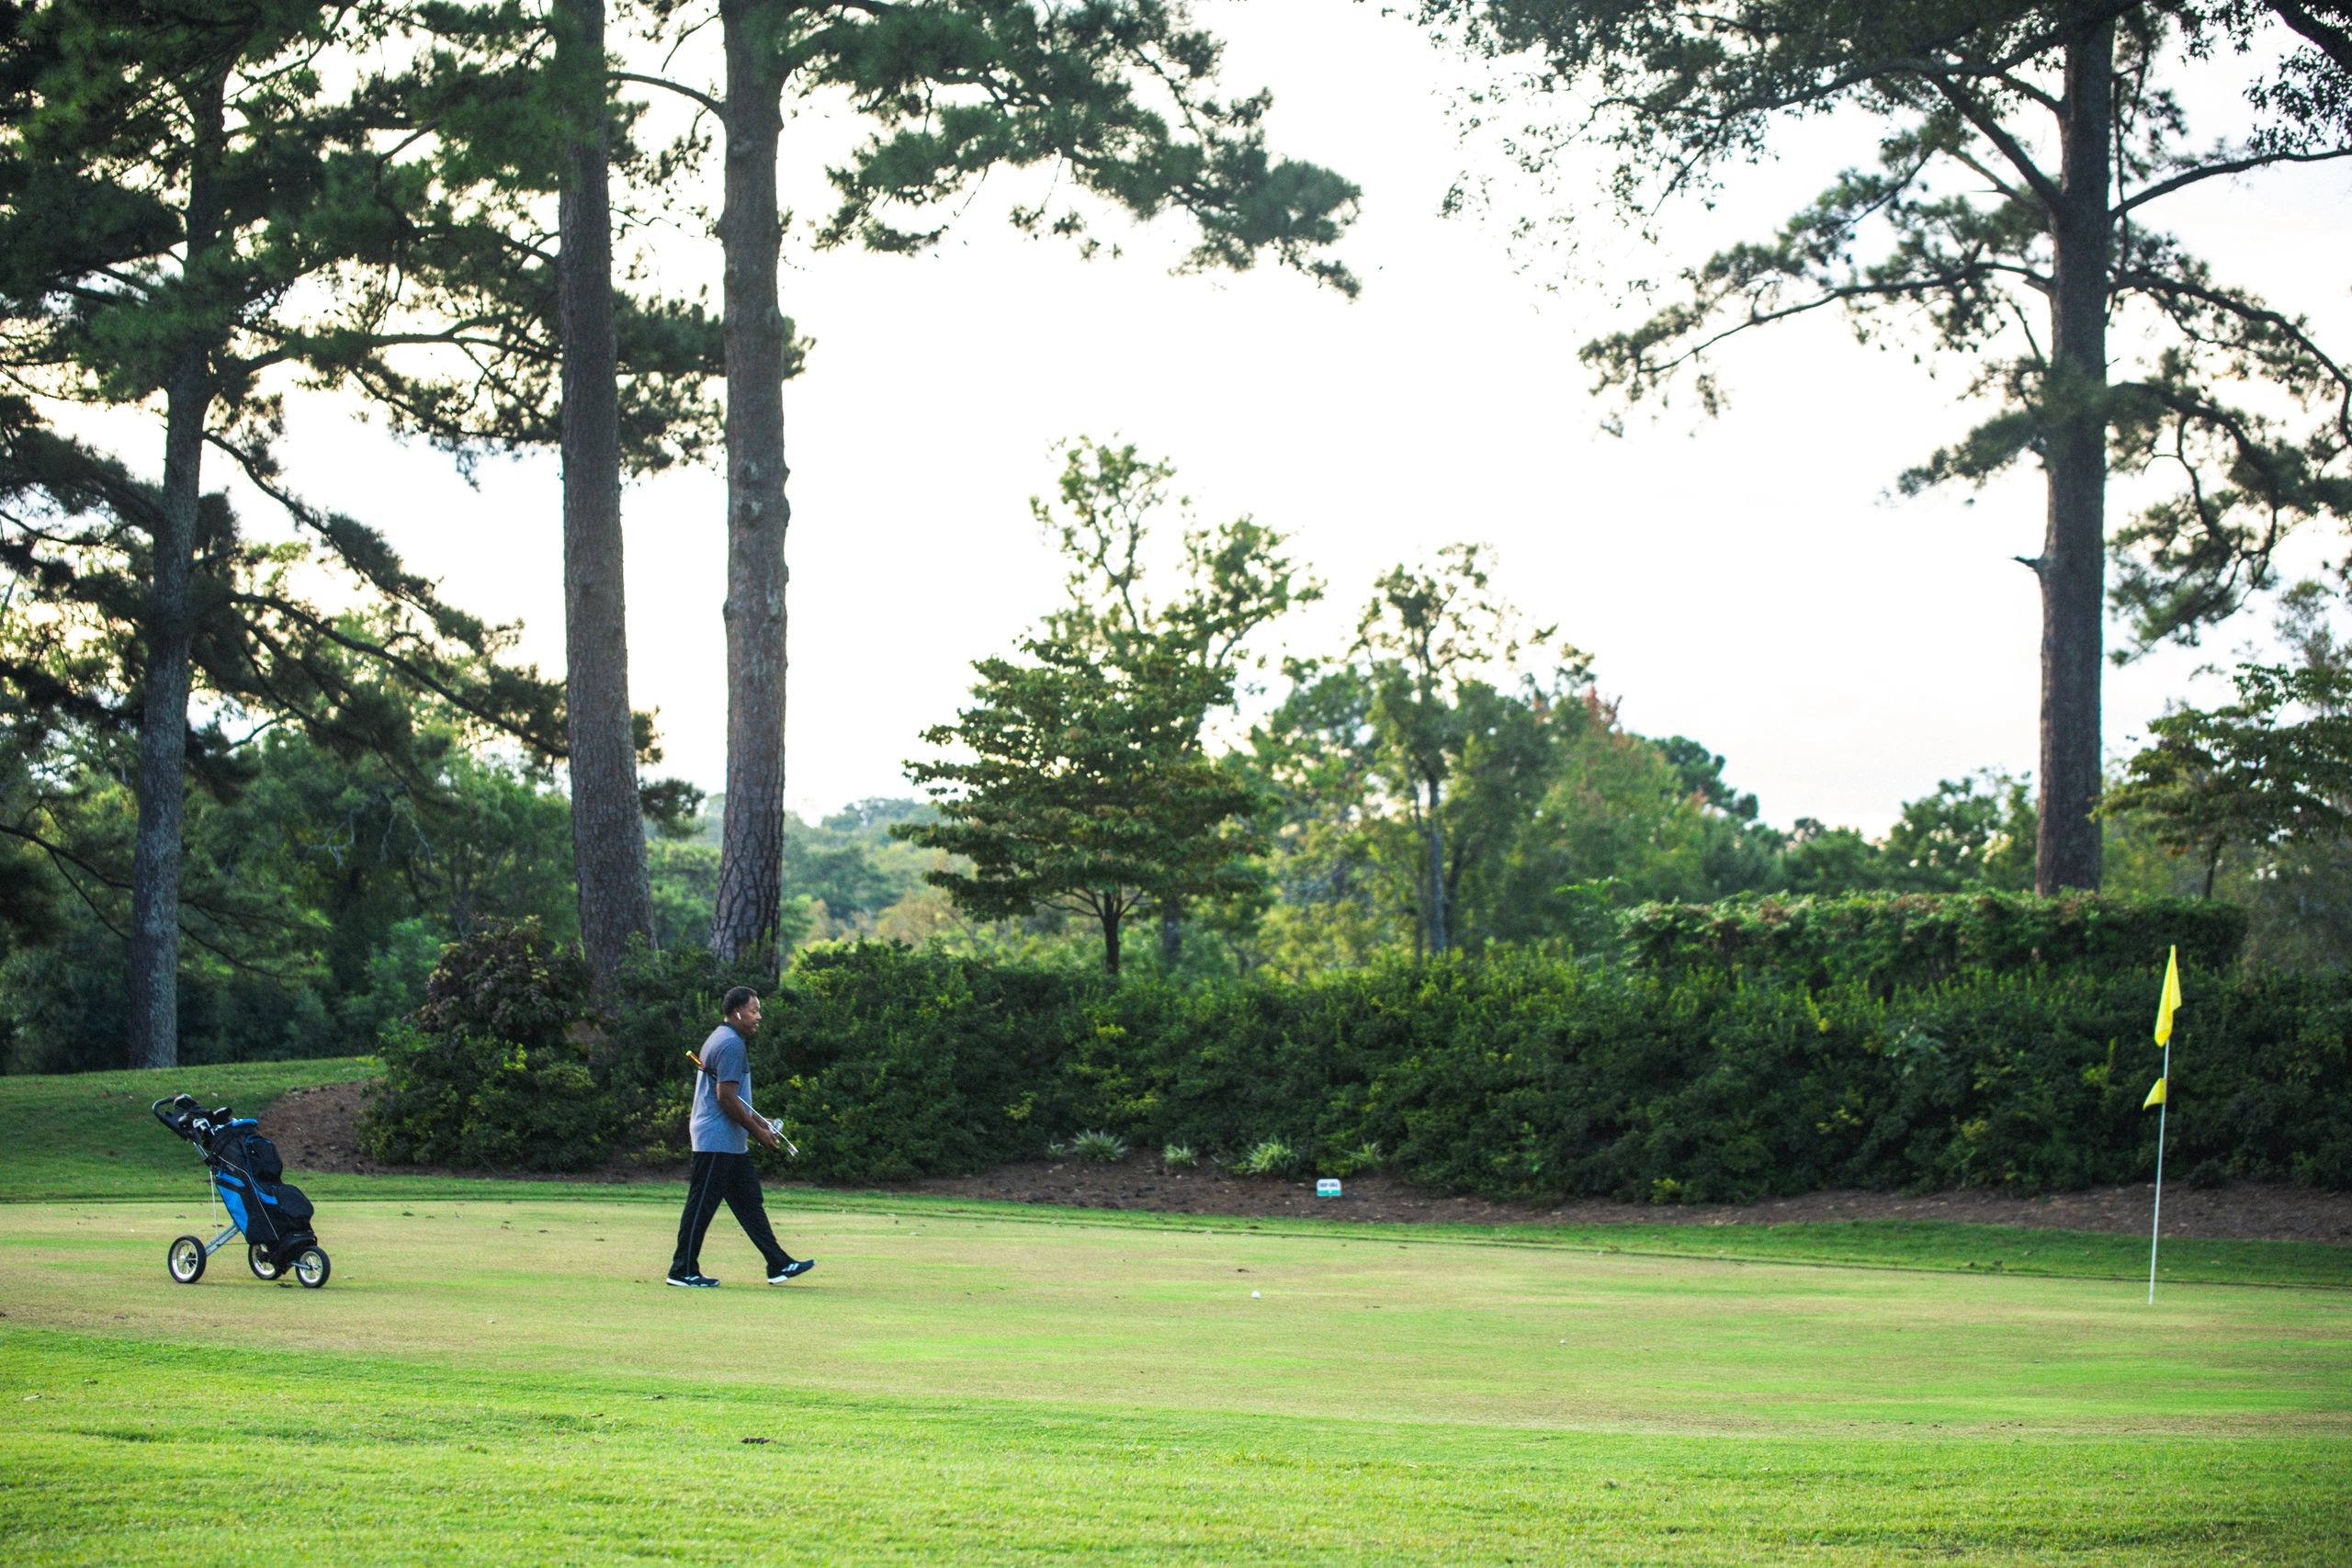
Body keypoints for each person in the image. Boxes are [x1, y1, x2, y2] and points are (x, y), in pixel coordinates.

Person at [667, 987, 815, 1288]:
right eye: (754, 1011)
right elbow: (726, 1098)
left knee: (749, 1203)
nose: (758, 1017)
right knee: (701, 1205)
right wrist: (759, 1133)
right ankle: (682, 1270)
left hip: (728, 1142)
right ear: (736, 1012)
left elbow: (739, 1100)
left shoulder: (721, 1039)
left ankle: (778, 1263)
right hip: (716, 1140)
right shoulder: (731, 1044)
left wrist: (762, 1122)